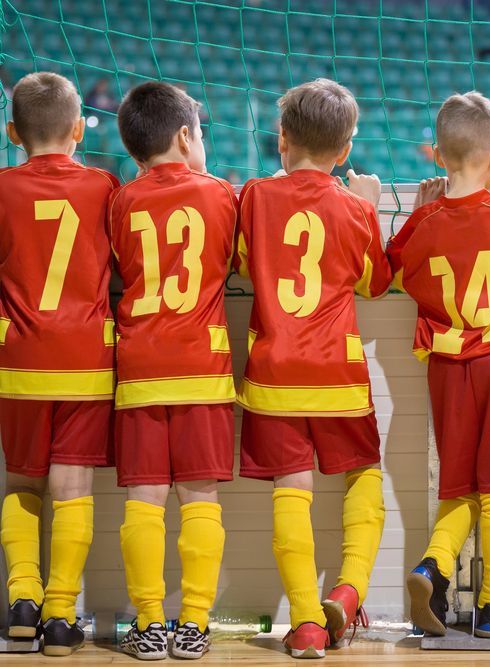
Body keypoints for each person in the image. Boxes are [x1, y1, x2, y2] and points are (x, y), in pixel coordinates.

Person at [233, 79, 392, 659]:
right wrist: (370, 211)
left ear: (282, 138)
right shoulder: (353, 207)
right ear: (345, 151)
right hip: (337, 372)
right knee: (364, 476)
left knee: (290, 492)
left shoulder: (252, 195)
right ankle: (349, 592)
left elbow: (245, 266)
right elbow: (376, 283)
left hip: (273, 370)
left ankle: (304, 624)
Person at [388, 92, 490, 640]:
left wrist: (419, 213)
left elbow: (398, 266)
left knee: (459, 487)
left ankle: (432, 564)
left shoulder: (423, 221)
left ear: (437, 156)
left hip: (448, 367)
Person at [110, 81, 238, 661]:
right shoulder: (222, 196)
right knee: (200, 499)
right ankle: (194, 624)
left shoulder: (120, 201)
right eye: (201, 131)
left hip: (139, 367)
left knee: (143, 500)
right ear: (185, 136)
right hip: (201, 365)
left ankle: (148, 624)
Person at [0, 71, 118, 657]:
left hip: (19, 358)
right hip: (86, 357)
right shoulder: (104, 186)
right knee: (72, 487)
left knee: (21, 481)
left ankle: (21, 600)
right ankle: (58, 616)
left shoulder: (1, 187)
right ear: (78, 128)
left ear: (12, 131)